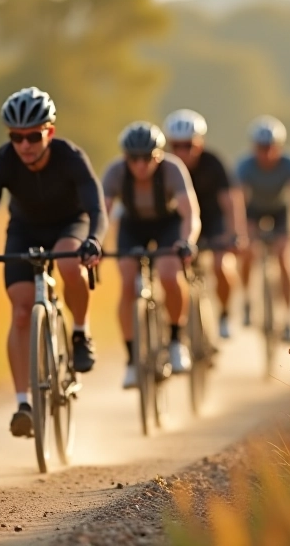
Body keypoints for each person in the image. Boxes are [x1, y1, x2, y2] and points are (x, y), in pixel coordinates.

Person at [0, 87, 106, 438]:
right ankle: (24, 404)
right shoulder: (3, 160)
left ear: (49, 132)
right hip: (25, 230)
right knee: (21, 312)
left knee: (68, 265)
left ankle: (80, 333)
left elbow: (96, 208)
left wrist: (94, 240)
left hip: (70, 224)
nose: (25, 145)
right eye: (17, 137)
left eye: (33, 136)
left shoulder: (70, 157)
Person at [102, 122, 201, 390]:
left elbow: (190, 213)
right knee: (126, 283)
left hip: (167, 225)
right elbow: (103, 214)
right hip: (132, 227)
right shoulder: (114, 172)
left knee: (170, 274)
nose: (140, 165)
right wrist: (95, 242)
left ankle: (176, 340)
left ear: (159, 155)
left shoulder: (172, 169)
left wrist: (186, 241)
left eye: (147, 158)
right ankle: (132, 359)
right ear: (125, 158)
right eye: (133, 159)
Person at [162, 109, 246, 339]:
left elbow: (230, 202)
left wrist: (235, 234)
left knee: (221, 265)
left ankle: (225, 314)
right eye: (176, 145)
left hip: (212, 221)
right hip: (180, 224)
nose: (182, 151)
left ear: (200, 143)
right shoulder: (164, 166)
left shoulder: (213, 163)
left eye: (188, 145)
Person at [233, 115, 290, 343]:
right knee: (248, 250)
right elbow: (237, 200)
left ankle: (288, 319)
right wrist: (239, 230)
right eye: (261, 148)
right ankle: (248, 299)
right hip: (254, 211)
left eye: (271, 147)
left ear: (279, 147)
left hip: (281, 212)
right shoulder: (244, 164)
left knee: (284, 256)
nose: (266, 153)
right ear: (253, 147)